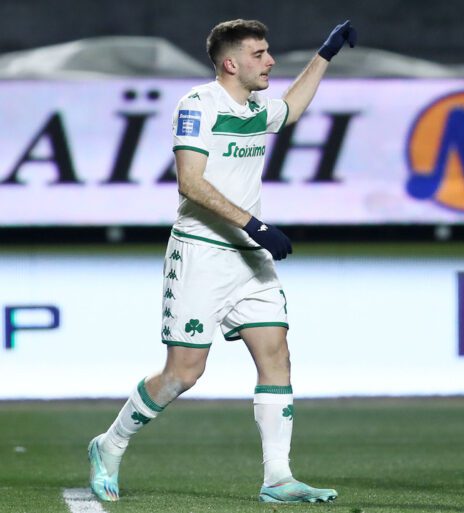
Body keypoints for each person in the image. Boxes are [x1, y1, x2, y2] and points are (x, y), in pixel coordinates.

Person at [86, 18, 356, 504]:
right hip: (202, 253)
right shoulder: (198, 105)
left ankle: (278, 478)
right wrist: (255, 225)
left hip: (250, 260)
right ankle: (110, 444)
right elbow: (190, 181)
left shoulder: (255, 106)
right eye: (259, 54)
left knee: (276, 355)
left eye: (268, 52)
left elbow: (290, 110)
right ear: (230, 63)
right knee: (184, 373)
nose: (270, 60)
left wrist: (326, 54)